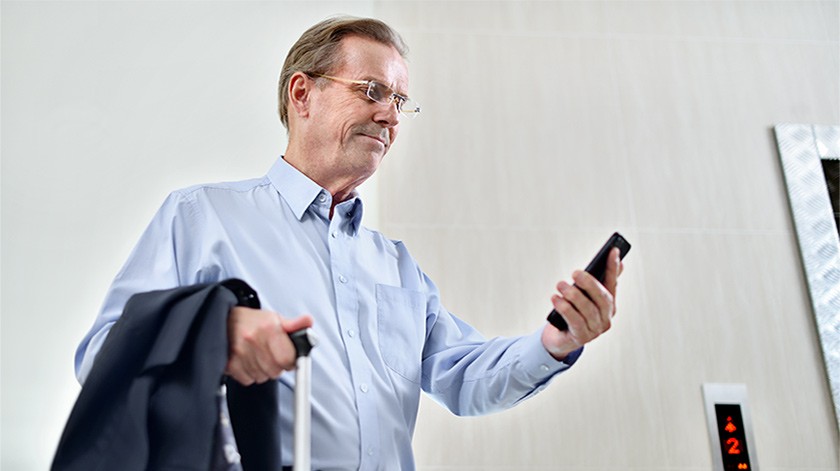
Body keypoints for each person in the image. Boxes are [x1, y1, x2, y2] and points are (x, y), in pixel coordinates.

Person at [74, 16, 623, 470]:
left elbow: (464, 378)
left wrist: (555, 343)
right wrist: (212, 335)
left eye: (400, 100)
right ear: (302, 93)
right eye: (372, 91)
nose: (390, 115)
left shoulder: (397, 266)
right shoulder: (201, 217)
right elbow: (102, 355)